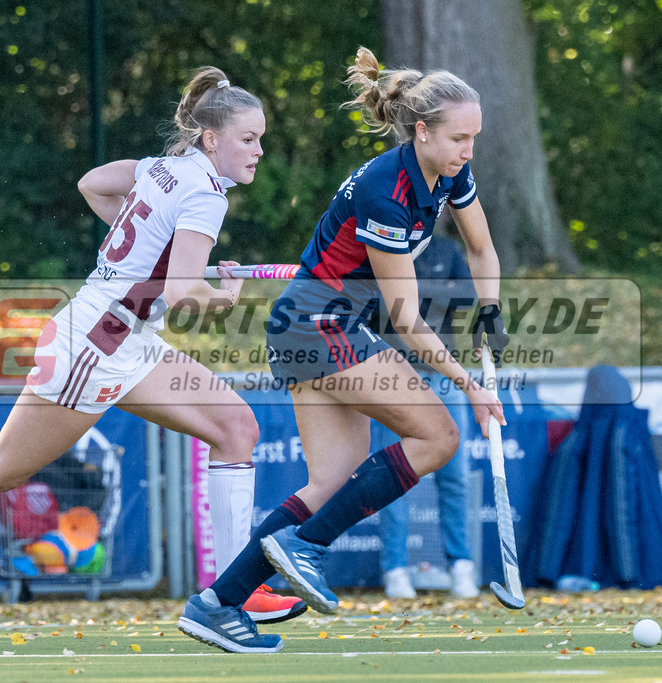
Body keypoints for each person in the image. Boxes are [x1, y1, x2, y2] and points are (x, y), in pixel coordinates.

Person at [0, 67, 303, 625]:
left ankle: (233, 590)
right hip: (97, 345)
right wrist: (225, 295)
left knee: (236, 428)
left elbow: (93, 184)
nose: (259, 149)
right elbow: (185, 291)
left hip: (125, 338)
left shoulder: (166, 169)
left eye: (260, 138)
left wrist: (148, 253)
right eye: (249, 138)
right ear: (212, 139)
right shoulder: (205, 192)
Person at [177, 47, 509, 654]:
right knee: (438, 437)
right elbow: (406, 318)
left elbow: (483, 249)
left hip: (313, 325)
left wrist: (490, 310)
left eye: (474, 139)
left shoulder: (451, 172)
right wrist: (470, 386)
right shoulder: (387, 189)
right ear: (422, 130)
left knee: (329, 481)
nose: (468, 151)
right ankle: (307, 547)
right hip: (317, 323)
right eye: (459, 138)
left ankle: (216, 605)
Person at [371, 231, 480, 600]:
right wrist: (438, 290)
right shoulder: (382, 247)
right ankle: (395, 570)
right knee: (392, 479)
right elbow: (376, 305)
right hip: (391, 378)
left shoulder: (446, 249)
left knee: (455, 476)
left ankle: (461, 565)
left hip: (445, 378)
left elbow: (468, 297)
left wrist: (414, 293)